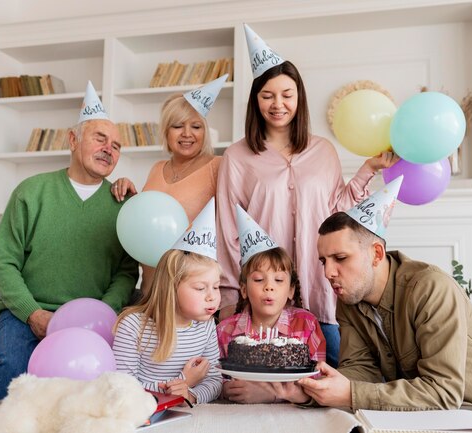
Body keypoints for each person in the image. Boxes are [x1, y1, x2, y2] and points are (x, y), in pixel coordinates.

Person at [273, 177, 472, 433]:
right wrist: (313, 391)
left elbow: (443, 391)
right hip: (457, 422)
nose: (328, 273)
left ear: (376, 254)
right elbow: (361, 370)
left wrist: (351, 393)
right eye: (323, 261)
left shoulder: (429, 288)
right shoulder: (350, 300)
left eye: (340, 259)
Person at [215, 24, 397, 367]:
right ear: (255, 100)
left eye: (287, 94)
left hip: (321, 292)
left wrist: (368, 169)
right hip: (264, 305)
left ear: (300, 98)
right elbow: (227, 232)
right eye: (267, 95)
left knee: (330, 382)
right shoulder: (236, 158)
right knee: (262, 393)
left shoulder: (323, 151)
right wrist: (228, 300)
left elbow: (337, 215)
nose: (277, 104)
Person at [0, 81, 139, 407]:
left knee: (97, 388)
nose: (109, 149)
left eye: (117, 145)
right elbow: (3, 263)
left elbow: (126, 272)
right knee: (11, 368)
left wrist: (104, 312)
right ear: (73, 139)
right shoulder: (31, 192)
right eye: (100, 138)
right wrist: (33, 313)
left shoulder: (122, 205)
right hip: (25, 314)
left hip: (92, 320)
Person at [111, 75, 228, 295]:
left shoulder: (218, 166)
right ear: (166, 132)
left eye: (196, 126)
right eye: (177, 126)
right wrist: (126, 188)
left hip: (192, 291)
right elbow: (144, 218)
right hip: (151, 288)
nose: (187, 134)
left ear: (205, 132)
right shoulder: (157, 168)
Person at [113, 198, 223, 404]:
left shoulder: (206, 326)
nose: (212, 296)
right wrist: (183, 382)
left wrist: (190, 395)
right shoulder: (133, 327)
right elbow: (122, 387)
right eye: (201, 288)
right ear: (171, 288)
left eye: (216, 286)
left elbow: (215, 380)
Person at [216, 206, 325, 403]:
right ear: (243, 289)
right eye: (258, 280)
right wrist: (225, 389)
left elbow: (319, 379)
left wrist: (271, 395)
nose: (269, 287)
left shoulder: (306, 325)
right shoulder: (225, 330)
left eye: (278, 280)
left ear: (291, 290)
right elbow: (214, 378)